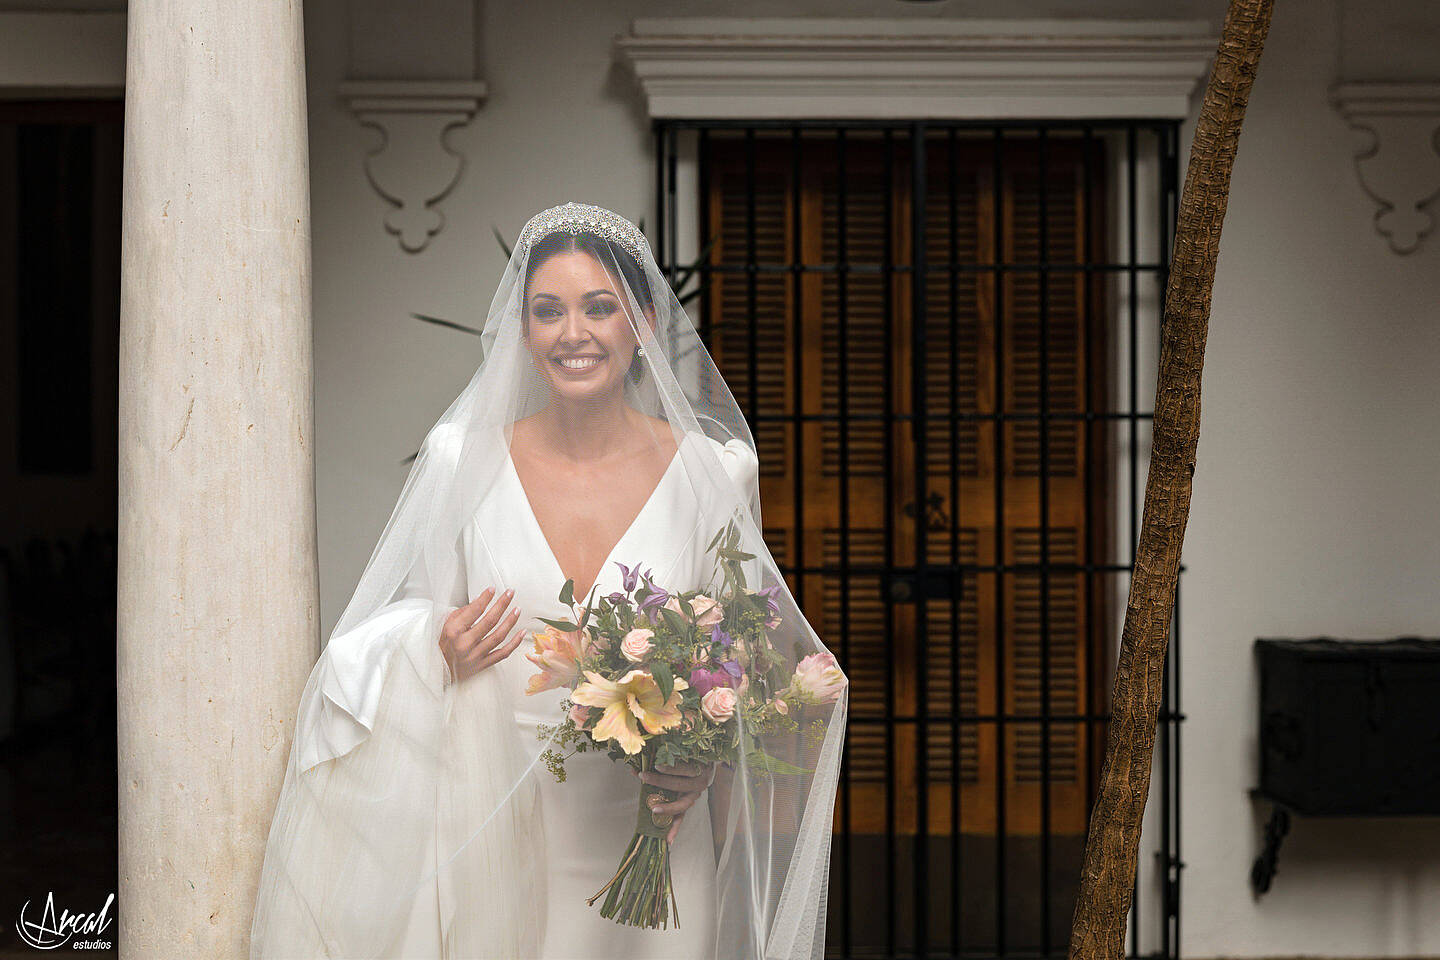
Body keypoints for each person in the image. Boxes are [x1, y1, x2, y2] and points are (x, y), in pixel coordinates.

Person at [250, 202, 848, 959]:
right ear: (523, 333)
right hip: (494, 831)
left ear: (643, 325)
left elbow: (746, 647)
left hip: (652, 836)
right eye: (548, 312)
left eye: (600, 307)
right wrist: (434, 646)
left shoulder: (714, 473)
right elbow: (396, 629)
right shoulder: (458, 459)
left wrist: (705, 749)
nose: (574, 333)